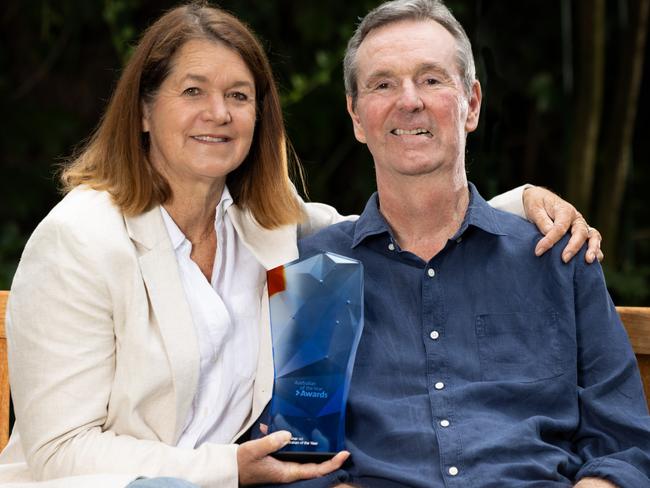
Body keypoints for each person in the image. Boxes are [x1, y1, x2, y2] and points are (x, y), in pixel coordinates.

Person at [0, 2, 601, 488]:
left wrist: (518, 204)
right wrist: (225, 470)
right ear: (144, 112)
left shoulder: (262, 224)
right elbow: (59, 451)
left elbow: (403, 221)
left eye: (239, 95)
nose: (219, 113)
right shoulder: (78, 238)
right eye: (192, 91)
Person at [271, 0, 650, 487]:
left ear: (471, 104)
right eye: (383, 83)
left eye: (431, 79)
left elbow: (624, 444)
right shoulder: (315, 272)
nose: (409, 100)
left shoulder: (559, 258)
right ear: (356, 116)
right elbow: (303, 457)